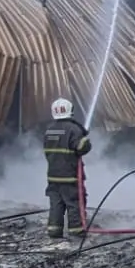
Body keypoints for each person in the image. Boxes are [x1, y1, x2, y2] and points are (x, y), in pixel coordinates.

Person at [43, 98, 92, 239]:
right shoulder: (74, 129)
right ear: (70, 111)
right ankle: (76, 230)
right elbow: (81, 148)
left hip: (53, 176)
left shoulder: (49, 130)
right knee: (74, 203)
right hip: (69, 176)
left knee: (56, 204)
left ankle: (54, 230)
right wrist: (86, 141)